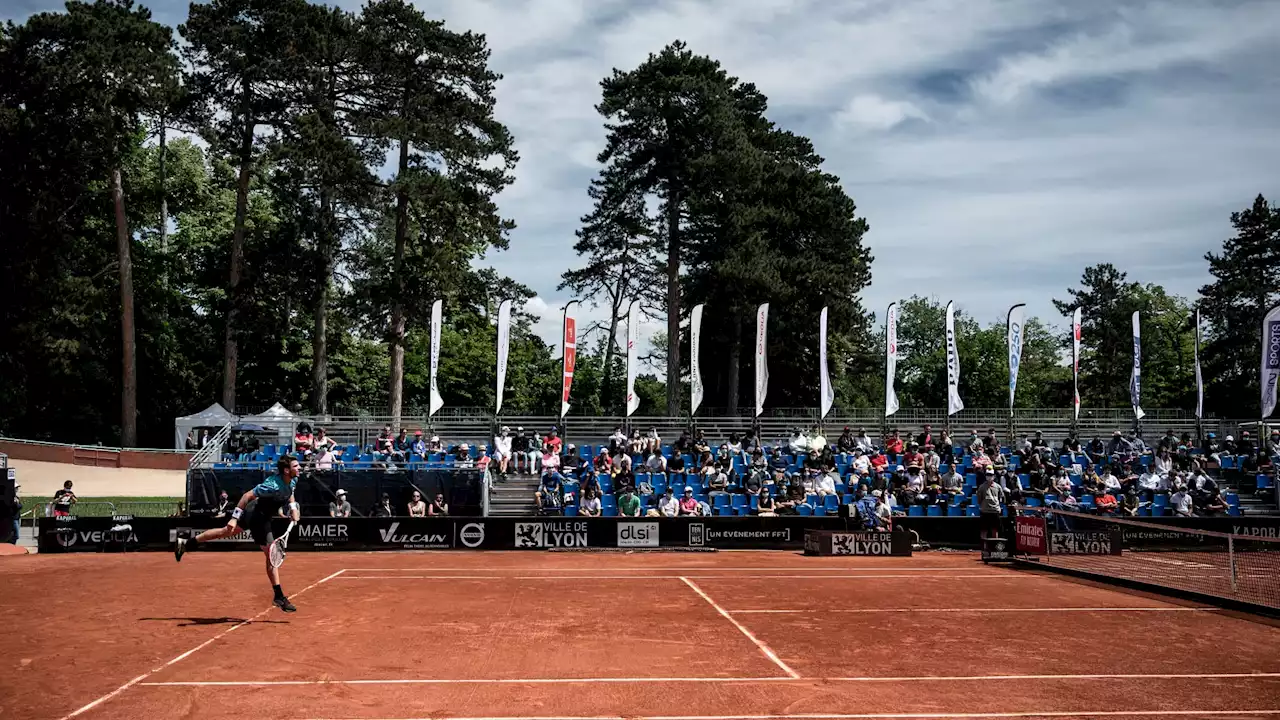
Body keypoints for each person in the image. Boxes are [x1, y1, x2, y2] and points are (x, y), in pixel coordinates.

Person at [174, 455, 302, 612]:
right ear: (287, 470)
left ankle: (186, 543)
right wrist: (234, 518)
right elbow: (247, 496)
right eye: (296, 466)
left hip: (263, 516)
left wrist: (294, 508)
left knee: (224, 532)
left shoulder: (293, 479)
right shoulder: (272, 485)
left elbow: (290, 493)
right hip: (255, 515)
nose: (300, 468)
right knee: (271, 554)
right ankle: (279, 596)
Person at [974, 468, 1007, 541]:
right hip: (985, 511)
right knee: (984, 530)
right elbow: (979, 500)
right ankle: (983, 545)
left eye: (991, 475)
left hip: (995, 511)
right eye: (988, 475)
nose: (989, 477)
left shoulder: (998, 487)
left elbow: (1001, 498)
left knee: (995, 529)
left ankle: (994, 545)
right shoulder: (982, 487)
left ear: (994, 476)